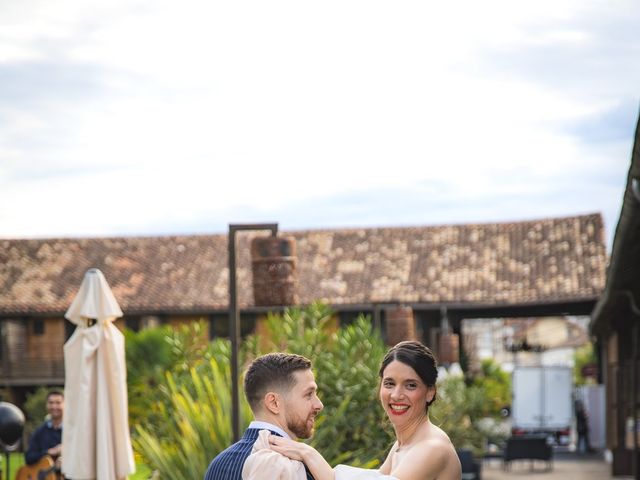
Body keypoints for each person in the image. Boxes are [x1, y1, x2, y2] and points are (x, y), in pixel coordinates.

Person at [266, 341, 462, 480]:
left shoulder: (432, 448)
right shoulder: (404, 444)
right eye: (389, 383)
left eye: (410, 385)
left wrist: (308, 453)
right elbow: (376, 477)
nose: (396, 395)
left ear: (429, 392)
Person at [204, 352, 324, 480]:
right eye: (308, 394)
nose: (319, 405)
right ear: (274, 403)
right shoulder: (298, 469)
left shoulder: (217, 465)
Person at [25, 390, 64, 469]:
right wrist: (48, 452)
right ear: (46, 405)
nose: (54, 406)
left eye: (58, 402)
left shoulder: (72, 432)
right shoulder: (40, 431)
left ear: (65, 404)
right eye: (51, 403)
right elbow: (28, 457)